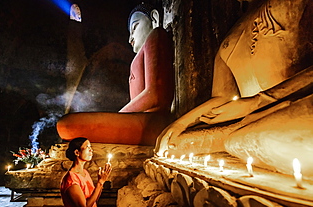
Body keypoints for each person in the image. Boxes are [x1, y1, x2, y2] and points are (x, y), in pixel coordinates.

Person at [155, 0, 312, 176]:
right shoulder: (230, 38)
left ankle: (237, 136)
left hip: (291, 108)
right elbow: (221, 97)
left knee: (267, 135)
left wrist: (258, 101)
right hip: (252, 121)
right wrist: (180, 124)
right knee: (179, 144)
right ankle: (236, 135)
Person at [56, 3, 175, 145]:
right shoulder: (140, 54)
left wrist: (120, 115)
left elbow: (156, 95)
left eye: (135, 27)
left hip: (154, 122)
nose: (130, 39)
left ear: (154, 19)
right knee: (66, 125)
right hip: (142, 120)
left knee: (67, 125)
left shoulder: (156, 35)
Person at [59, 137, 112, 207]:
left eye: (91, 147)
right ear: (77, 152)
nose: (91, 150)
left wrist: (101, 182)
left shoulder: (85, 172)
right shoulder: (71, 181)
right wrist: (100, 183)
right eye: (87, 147)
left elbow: (93, 200)